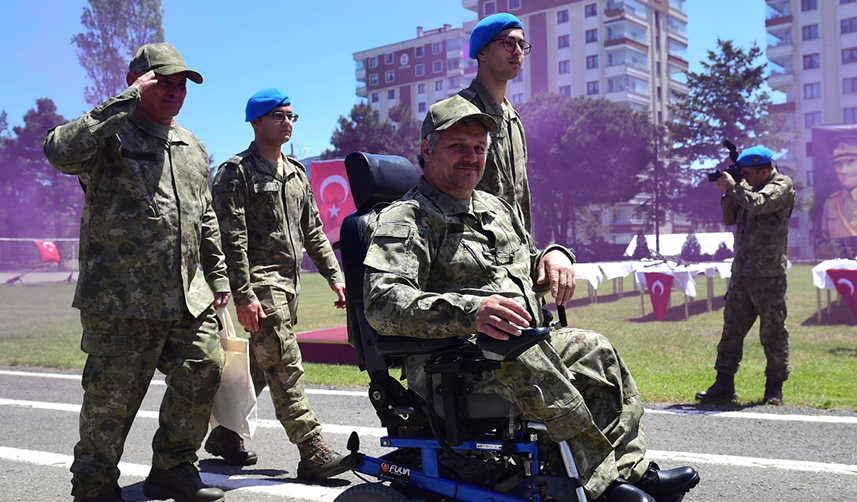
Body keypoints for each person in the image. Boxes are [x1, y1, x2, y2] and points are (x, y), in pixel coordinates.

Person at [362, 96, 699, 502]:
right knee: (523, 356)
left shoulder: (495, 207)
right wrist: (472, 312)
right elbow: (383, 302)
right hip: (450, 363)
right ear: (427, 149)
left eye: (479, 148)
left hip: (514, 342)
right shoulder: (408, 216)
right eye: (457, 146)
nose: (471, 157)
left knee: (596, 350)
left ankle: (630, 472)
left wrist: (554, 256)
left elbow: (523, 263)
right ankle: (598, 488)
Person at [44, 43, 229, 502]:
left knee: (203, 369)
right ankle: (93, 485)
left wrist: (219, 278)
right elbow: (60, 152)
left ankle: (173, 467)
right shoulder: (111, 133)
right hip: (121, 298)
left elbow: (204, 216)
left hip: (187, 294)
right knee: (112, 399)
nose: (174, 90)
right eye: (162, 81)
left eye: (181, 83)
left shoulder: (192, 146)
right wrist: (123, 100)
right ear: (138, 81)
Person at [209, 88, 348, 480]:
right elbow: (230, 238)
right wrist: (244, 294)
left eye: (291, 116)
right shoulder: (236, 172)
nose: (287, 122)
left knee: (258, 367)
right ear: (255, 123)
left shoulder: (296, 173)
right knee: (286, 366)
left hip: (289, 287)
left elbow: (314, 232)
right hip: (259, 286)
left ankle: (223, 434)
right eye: (277, 116)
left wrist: (334, 275)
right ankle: (312, 449)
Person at [697, 145, 795, 406]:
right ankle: (723, 385)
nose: (746, 178)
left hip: (770, 275)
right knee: (731, 331)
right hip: (742, 273)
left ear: (765, 171)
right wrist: (727, 192)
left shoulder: (782, 185)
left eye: (749, 174)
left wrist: (734, 187)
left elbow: (761, 204)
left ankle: (774, 387)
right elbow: (730, 218)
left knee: (773, 332)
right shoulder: (744, 188)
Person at [459, 12, 533, 232]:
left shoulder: (513, 118)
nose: (518, 51)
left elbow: (520, 196)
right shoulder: (460, 112)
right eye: (508, 43)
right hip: (475, 251)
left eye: (522, 44)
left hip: (514, 251)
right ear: (482, 52)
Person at [821, 135, 857, 256]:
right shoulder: (831, 202)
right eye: (839, 164)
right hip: (840, 267)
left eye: (850, 162)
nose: (843, 170)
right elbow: (826, 234)